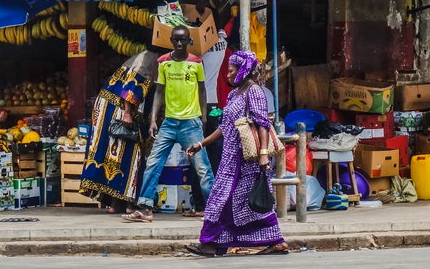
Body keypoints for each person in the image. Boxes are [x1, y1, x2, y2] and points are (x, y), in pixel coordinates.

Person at [183, 51, 287, 256]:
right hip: (229, 158)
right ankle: (273, 242)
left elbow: (262, 123)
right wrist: (201, 144)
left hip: (247, 159)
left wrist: (264, 154)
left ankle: (210, 243)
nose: (227, 75)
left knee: (238, 201)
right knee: (234, 203)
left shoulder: (254, 92)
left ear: (243, 71)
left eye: (231, 71)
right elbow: (224, 127)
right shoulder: (233, 94)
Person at [124, 25, 215, 222]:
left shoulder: (196, 62)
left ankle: (214, 210)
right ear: (172, 40)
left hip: (191, 123)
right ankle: (145, 208)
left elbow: (202, 91)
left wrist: (204, 117)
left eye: (184, 40)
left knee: (202, 168)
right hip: (169, 122)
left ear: (189, 40)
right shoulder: (163, 62)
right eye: (177, 40)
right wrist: (153, 120)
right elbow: (159, 92)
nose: (180, 43)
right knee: (153, 163)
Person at [79, 51, 158, 214]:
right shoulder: (149, 58)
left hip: (113, 106)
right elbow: (131, 86)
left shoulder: (150, 57)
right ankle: (127, 204)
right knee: (129, 154)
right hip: (119, 108)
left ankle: (116, 203)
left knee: (117, 155)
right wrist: (127, 113)